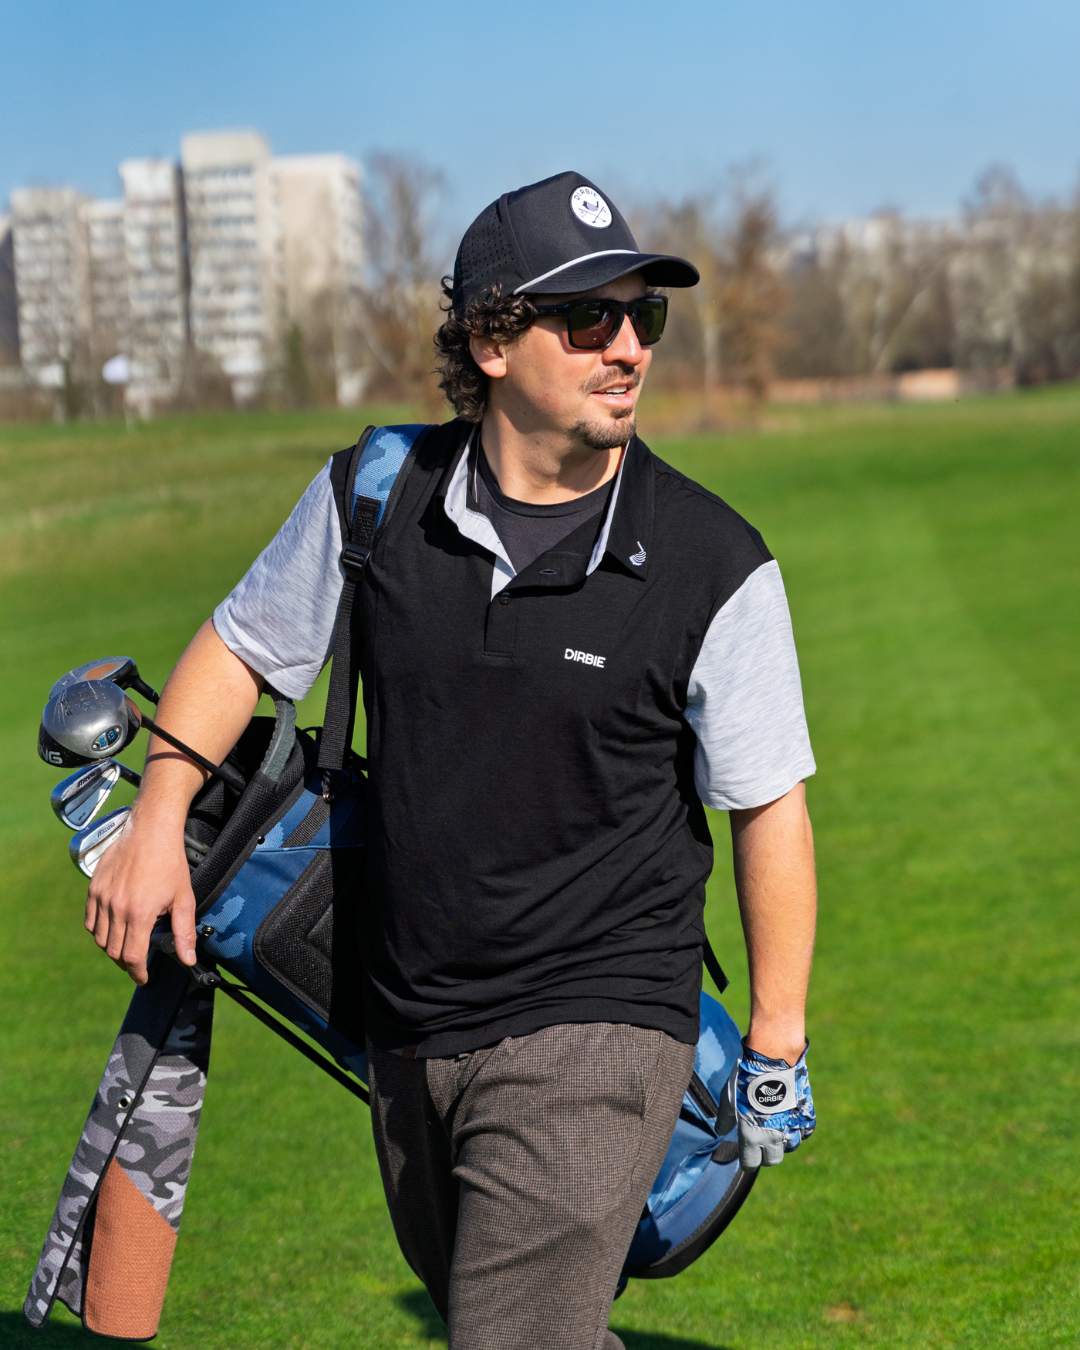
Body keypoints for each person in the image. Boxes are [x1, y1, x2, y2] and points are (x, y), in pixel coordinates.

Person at [85, 171, 818, 1350]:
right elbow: (240, 649)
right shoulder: (375, 497)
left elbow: (768, 804)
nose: (629, 347)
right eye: (589, 318)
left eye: (644, 316)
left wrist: (776, 1036)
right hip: (407, 1022)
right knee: (517, 1319)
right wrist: (159, 820)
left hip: (605, 1019)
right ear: (490, 340)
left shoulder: (713, 561)